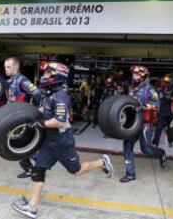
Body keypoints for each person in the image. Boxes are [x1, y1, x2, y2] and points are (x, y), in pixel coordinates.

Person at [11, 62, 114, 219]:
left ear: (57, 77)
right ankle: (32, 207)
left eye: (48, 74)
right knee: (39, 170)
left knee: (77, 171)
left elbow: (58, 121)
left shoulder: (60, 97)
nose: (44, 76)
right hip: (48, 142)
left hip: (61, 142)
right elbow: (44, 110)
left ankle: (102, 163)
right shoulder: (49, 94)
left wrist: (40, 123)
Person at [121, 65, 167, 183]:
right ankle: (130, 173)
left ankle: (161, 154)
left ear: (143, 76)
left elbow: (157, 105)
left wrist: (144, 106)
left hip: (146, 124)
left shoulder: (150, 89)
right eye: (133, 74)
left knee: (146, 150)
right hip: (132, 123)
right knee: (127, 147)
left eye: (136, 74)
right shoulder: (131, 89)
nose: (134, 76)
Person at [4, 57, 42, 179]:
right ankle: (30, 169)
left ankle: (41, 165)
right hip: (14, 116)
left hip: (23, 118)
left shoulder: (22, 80)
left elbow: (37, 92)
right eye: (5, 67)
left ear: (16, 67)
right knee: (18, 144)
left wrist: (33, 109)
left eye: (8, 67)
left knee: (22, 143)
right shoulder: (11, 81)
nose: (6, 69)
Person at [152, 74, 173, 147]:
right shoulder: (158, 90)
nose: (164, 83)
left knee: (170, 129)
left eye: (166, 82)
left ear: (168, 83)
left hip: (170, 113)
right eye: (162, 82)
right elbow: (154, 99)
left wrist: (171, 98)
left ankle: (170, 141)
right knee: (158, 128)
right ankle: (155, 143)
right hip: (161, 113)